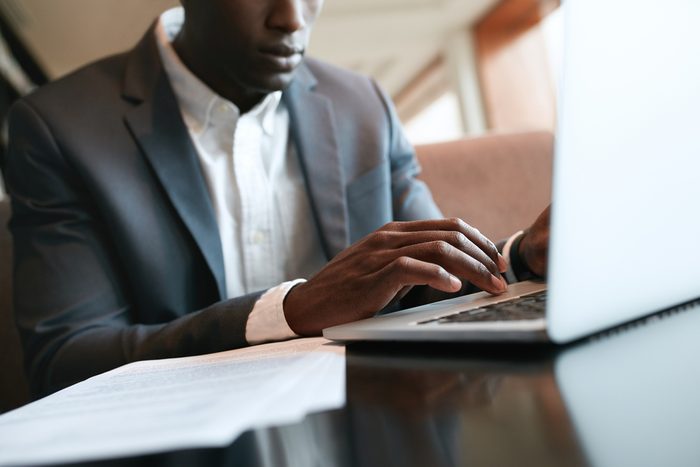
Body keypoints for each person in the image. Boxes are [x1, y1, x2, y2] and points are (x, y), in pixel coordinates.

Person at [4, 0, 549, 397]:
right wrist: (290, 311)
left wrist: (520, 255)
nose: (291, 18)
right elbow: (66, 360)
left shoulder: (362, 105)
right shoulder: (59, 128)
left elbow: (430, 278)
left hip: (372, 420)